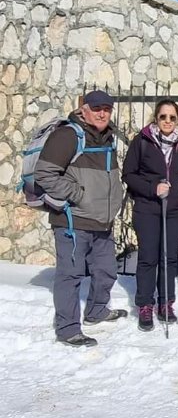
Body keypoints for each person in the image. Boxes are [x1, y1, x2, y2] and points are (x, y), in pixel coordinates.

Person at [34, 90, 127, 347]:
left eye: (107, 109)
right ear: (83, 109)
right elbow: (45, 174)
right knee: (70, 275)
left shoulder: (107, 137)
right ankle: (68, 328)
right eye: (97, 108)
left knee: (106, 271)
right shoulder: (68, 135)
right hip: (73, 221)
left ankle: (97, 310)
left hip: (101, 220)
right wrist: (78, 194)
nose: (102, 113)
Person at [122, 99, 178, 332]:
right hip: (147, 208)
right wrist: (152, 187)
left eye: (172, 117)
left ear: (177, 119)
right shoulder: (142, 141)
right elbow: (129, 174)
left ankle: (166, 302)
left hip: (174, 209)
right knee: (148, 257)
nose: (167, 121)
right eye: (163, 117)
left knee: (170, 257)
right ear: (156, 118)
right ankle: (145, 304)